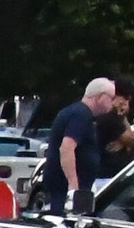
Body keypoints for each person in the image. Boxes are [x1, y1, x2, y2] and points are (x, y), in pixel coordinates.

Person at [40, 77, 118, 214]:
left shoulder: (76, 112)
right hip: (65, 189)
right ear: (100, 97)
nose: (113, 103)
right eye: (111, 98)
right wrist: (73, 186)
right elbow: (67, 147)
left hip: (69, 187)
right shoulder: (81, 115)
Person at [98, 78, 134, 177]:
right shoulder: (110, 118)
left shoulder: (116, 118)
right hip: (109, 176)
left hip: (117, 175)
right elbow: (131, 140)